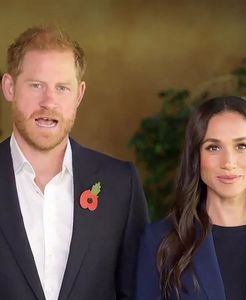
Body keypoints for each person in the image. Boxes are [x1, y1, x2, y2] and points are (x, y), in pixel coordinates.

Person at [0, 25, 148, 300]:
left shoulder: (120, 184)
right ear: (9, 87)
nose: (49, 102)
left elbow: (137, 291)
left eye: (62, 88)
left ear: (79, 95)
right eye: (36, 85)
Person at [135, 96, 246, 300]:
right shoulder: (159, 240)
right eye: (213, 147)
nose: (229, 162)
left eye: (241, 146)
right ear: (196, 156)